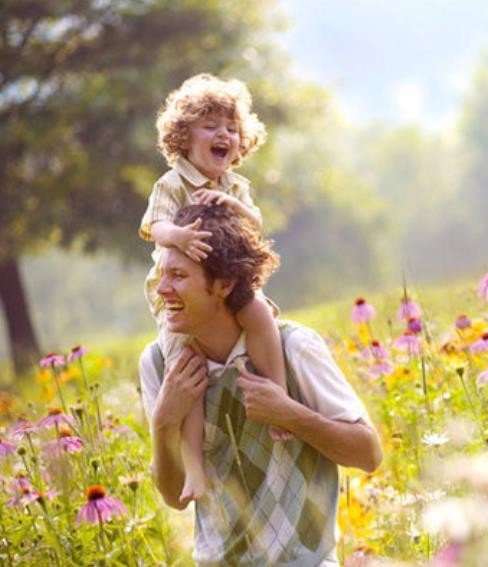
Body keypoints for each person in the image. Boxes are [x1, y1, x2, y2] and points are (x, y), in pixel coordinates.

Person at [138, 204, 382, 565]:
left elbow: (368, 454)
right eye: (162, 275)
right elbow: (174, 496)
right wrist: (164, 423)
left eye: (177, 275)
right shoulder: (159, 365)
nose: (162, 289)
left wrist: (289, 414)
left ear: (224, 284)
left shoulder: (293, 347)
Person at [139, 73, 292, 505]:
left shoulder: (237, 187)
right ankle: (195, 469)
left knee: (261, 315)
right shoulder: (172, 183)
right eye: (210, 126)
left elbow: (257, 226)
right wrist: (180, 238)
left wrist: (238, 208)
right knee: (185, 371)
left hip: (231, 285)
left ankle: (278, 396)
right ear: (184, 137)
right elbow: (155, 225)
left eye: (230, 128)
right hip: (178, 297)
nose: (223, 134)